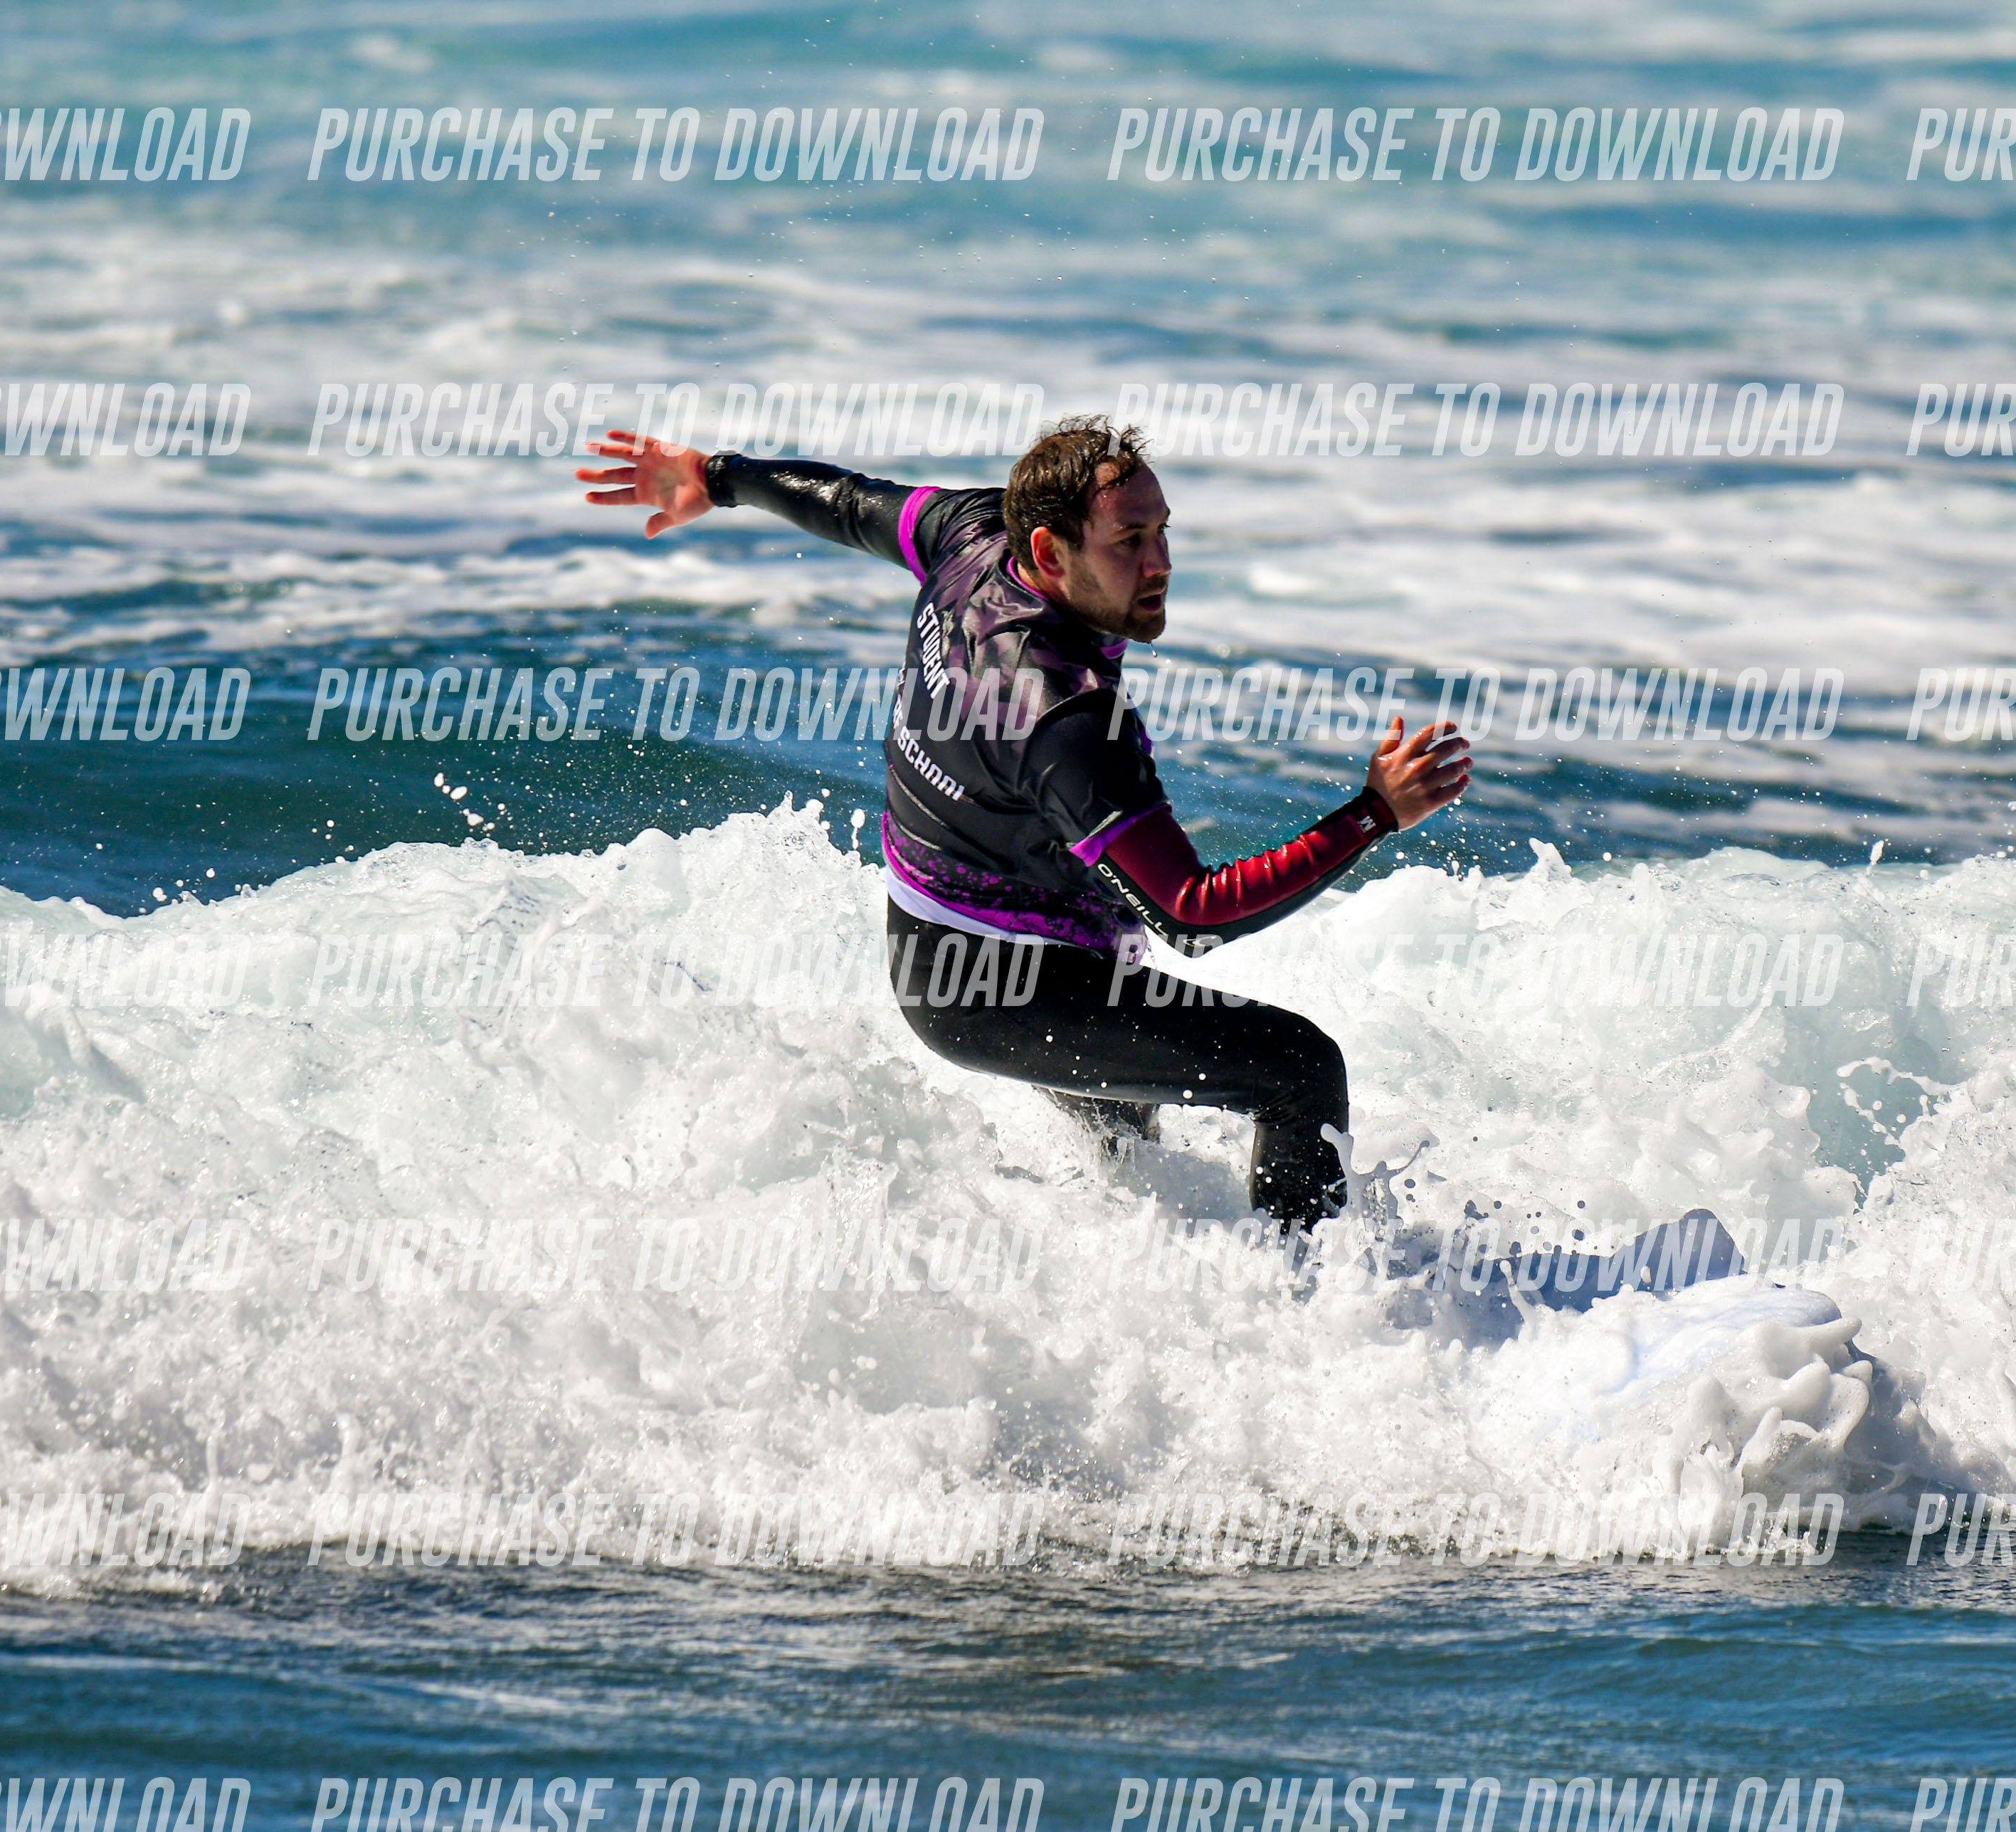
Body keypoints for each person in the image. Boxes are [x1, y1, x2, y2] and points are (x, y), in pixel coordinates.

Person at [575, 416, 1471, 1227]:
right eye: (1129, 541)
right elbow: (1191, 915)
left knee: (1134, 1157)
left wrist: (717, 476)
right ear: (1048, 551)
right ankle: (1308, 1303)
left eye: (1163, 531)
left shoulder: (968, 533)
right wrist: (1374, 815)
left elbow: (849, 504)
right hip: (1002, 989)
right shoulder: (1062, 718)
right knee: (1298, 1070)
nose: (1160, 562)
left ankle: (1135, 1277)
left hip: (939, 943)